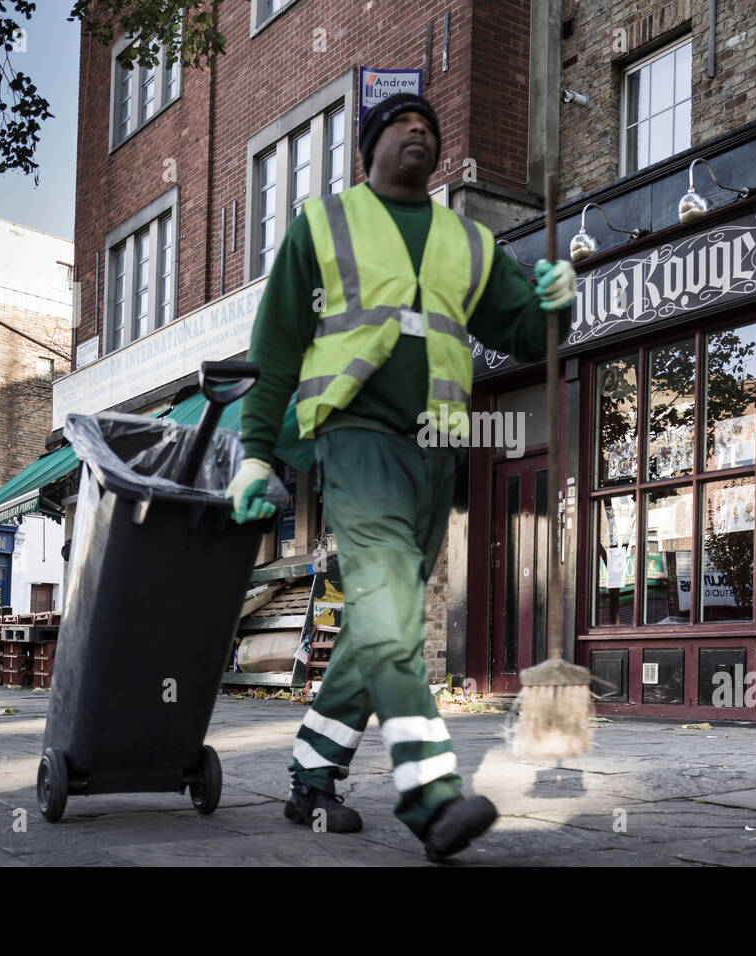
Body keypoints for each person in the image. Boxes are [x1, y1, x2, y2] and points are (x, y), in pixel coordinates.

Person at [225, 92, 575, 862]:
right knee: (391, 618)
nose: (420, 132)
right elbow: (276, 349)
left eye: (431, 128)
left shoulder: (468, 241)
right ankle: (431, 794)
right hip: (354, 439)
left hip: (435, 453)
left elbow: (522, 332)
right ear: (371, 146)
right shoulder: (326, 225)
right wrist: (257, 451)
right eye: (403, 124)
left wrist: (556, 302)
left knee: (373, 624)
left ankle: (311, 777)